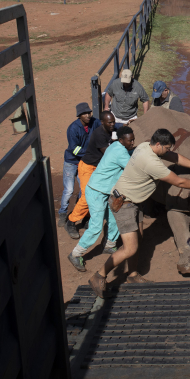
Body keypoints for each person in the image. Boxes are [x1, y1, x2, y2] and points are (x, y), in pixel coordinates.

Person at [88, 129, 190, 297]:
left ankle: (132, 275)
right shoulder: (151, 162)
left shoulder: (146, 146)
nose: (168, 151)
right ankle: (99, 275)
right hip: (124, 205)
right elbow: (179, 181)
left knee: (137, 239)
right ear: (158, 144)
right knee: (130, 248)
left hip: (133, 202)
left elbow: (174, 157)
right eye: (166, 148)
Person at [68, 126, 136, 272]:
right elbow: (134, 168)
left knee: (114, 218)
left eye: (133, 140)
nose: (132, 142)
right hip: (97, 191)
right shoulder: (120, 152)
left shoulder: (115, 145)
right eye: (130, 141)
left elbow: (128, 154)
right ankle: (75, 254)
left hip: (105, 190)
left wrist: (133, 150)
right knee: (96, 226)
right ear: (122, 140)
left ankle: (109, 244)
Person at [67, 111, 116, 239]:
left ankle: (86, 219)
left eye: (113, 122)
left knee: (97, 195)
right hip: (88, 167)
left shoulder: (112, 130)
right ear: (102, 122)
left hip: (98, 168)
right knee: (87, 196)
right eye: (110, 122)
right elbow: (108, 154)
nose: (112, 125)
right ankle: (71, 221)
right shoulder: (99, 134)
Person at [58, 103, 97, 228]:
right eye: (85, 113)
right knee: (69, 190)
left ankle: (80, 213)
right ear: (79, 116)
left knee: (83, 190)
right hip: (71, 162)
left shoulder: (94, 123)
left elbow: (105, 124)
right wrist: (90, 152)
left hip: (83, 162)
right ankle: (63, 213)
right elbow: (74, 149)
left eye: (89, 112)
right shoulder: (73, 129)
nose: (88, 115)